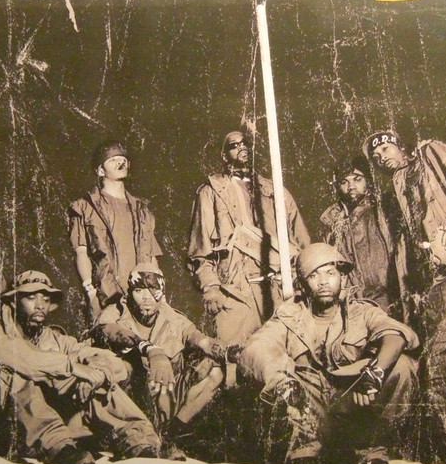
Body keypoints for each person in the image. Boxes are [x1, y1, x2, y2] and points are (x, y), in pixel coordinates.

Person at [0, 270, 161, 464]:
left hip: (26, 430)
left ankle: (138, 442)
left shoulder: (51, 337)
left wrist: (96, 373)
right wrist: (72, 367)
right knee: (13, 371)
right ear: (13, 300)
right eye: (31, 298)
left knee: (95, 376)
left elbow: (106, 359)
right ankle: (57, 447)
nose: (40, 305)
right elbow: (16, 355)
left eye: (46, 299)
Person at [238, 243, 419, 464]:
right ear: (302, 283)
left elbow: (396, 335)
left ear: (343, 278)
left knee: (401, 365)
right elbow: (256, 348)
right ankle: (304, 455)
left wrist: (374, 374)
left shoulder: (362, 312)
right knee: (279, 375)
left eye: (330, 273)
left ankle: (373, 454)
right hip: (309, 411)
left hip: (352, 407)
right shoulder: (289, 316)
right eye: (314, 275)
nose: (323, 282)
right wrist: (282, 382)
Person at [363, 129, 446, 464]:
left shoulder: (430, 153)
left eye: (386, 148)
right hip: (432, 287)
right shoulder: (394, 191)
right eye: (377, 157)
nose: (383, 157)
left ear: (400, 145)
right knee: (445, 363)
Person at [92, 263, 236, 459]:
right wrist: (151, 350)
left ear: (162, 292)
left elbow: (201, 340)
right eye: (139, 290)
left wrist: (229, 352)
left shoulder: (173, 318)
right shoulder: (116, 311)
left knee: (214, 369)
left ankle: (171, 435)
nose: (146, 297)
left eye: (153, 290)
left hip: (166, 400)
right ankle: (135, 438)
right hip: (131, 402)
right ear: (130, 292)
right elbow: (108, 330)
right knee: (122, 368)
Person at [188, 130, 311, 345]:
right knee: (236, 354)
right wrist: (211, 287)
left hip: (278, 287)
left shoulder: (275, 191)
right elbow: (200, 248)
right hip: (236, 290)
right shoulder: (211, 192)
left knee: (285, 351)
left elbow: (301, 240)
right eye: (234, 145)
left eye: (245, 143)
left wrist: (307, 277)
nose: (242, 147)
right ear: (224, 156)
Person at [69, 140, 162, 319]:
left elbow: (151, 256)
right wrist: (91, 293)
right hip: (107, 295)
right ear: (100, 171)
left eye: (123, 159)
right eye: (113, 160)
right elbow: (81, 252)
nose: (121, 163)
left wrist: (157, 292)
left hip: (141, 295)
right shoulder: (85, 207)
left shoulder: (142, 209)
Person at [320, 155, 397, 313]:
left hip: (387, 295)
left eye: (357, 179)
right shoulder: (331, 220)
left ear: (367, 180)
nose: (351, 187)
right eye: (344, 182)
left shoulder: (381, 210)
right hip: (353, 300)